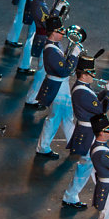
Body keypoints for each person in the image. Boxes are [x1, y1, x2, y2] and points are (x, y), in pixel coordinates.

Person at [61, 52, 109, 209]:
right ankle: (70, 195)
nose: (94, 76)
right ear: (84, 74)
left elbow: (96, 100)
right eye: (92, 73)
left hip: (89, 131)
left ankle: (104, 190)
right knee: (86, 165)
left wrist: (104, 92)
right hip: (87, 133)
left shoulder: (83, 87)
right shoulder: (82, 91)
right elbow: (102, 109)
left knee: (93, 163)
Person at [34, 16, 83, 158]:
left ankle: (74, 145)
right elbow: (63, 71)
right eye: (60, 30)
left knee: (67, 116)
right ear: (53, 32)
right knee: (55, 117)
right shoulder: (51, 50)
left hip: (60, 85)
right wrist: (74, 55)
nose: (63, 33)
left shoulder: (55, 46)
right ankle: (43, 147)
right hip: (58, 86)